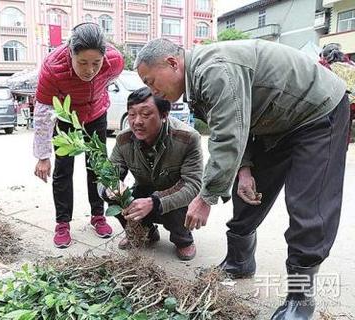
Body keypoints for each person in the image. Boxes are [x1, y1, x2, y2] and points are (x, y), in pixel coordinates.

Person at [135, 38, 349, 320]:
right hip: (274, 121)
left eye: (152, 81)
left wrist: (206, 197)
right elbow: (237, 120)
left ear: (173, 63)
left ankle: (301, 299)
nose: (153, 91)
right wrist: (244, 168)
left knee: (308, 208)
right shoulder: (196, 81)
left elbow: (227, 138)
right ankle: (240, 260)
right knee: (247, 191)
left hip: (318, 113)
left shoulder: (214, 71)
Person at [32, 22, 124, 248]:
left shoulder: (115, 62)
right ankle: (62, 223)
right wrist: (43, 156)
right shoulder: (53, 68)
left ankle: (98, 215)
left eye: (96, 63)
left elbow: (106, 80)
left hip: (97, 115)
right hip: (67, 118)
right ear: (70, 53)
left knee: (97, 166)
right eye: (82, 62)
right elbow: (42, 113)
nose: (90, 70)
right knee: (64, 169)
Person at [99, 87, 202, 260]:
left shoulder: (188, 138)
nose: (137, 121)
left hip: (174, 195)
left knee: (178, 206)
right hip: (143, 190)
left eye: (146, 115)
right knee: (116, 198)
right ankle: (144, 232)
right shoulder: (123, 139)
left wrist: (154, 202)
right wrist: (110, 187)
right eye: (132, 115)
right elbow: (107, 175)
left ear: (164, 115)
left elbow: (193, 184)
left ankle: (183, 240)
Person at [319, 43, 355, 144]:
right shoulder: (352, 65)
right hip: (351, 105)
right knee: (344, 134)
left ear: (325, 56)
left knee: (331, 136)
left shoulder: (327, 67)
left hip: (335, 104)